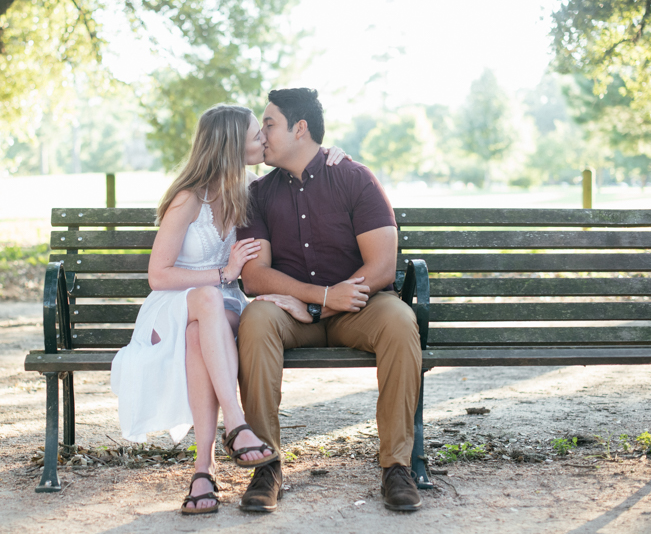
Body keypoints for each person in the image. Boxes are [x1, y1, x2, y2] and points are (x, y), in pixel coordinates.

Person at [110, 104, 349, 515]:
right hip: (173, 304)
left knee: (200, 333)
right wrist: (223, 272)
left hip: (216, 311)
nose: (263, 139)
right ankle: (237, 426)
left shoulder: (249, 189)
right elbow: (158, 275)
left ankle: (203, 470)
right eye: (256, 133)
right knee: (205, 303)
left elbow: (303, 168)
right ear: (229, 143)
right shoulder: (188, 199)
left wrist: (331, 155)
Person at [236, 88, 424, 513]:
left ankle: (396, 466)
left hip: (358, 307)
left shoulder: (353, 177)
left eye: (269, 124)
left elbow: (381, 266)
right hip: (290, 312)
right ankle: (266, 466)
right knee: (256, 318)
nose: (262, 134)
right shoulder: (258, 193)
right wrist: (316, 297)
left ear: (299, 128)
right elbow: (254, 275)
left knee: (398, 319)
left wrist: (329, 303)